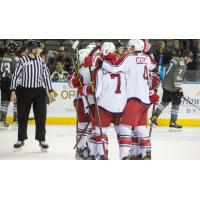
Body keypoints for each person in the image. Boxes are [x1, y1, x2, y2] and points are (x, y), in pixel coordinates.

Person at [100, 39, 156, 160]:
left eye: (130, 47)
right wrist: (148, 51)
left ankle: (125, 157)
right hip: (145, 101)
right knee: (141, 129)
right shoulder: (146, 58)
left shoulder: (129, 57)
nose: (128, 49)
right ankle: (147, 154)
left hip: (134, 99)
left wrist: (101, 62)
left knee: (124, 127)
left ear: (132, 47)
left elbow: (114, 68)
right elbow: (154, 65)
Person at [10, 40, 56, 151]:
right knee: (22, 116)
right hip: (24, 91)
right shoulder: (22, 60)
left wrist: (50, 91)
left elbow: (46, 76)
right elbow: (15, 76)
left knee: (41, 116)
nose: (41, 50)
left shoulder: (41, 61)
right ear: (33, 49)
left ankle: (42, 140)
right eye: (39, 48)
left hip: (39, 92)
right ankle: (21, 140)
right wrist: (13, 90)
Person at [150, 50, 193, 129]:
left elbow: (169, 72)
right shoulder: (181, 64)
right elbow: (176, 77)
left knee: (164, 102)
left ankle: (154, 117)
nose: (189, 61)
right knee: (176, 104)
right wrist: (178, 89)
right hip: (172, 87)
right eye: (189, 58)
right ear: (185, 57)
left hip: (166, 85)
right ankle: (173, 122)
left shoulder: (174, 60)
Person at [0, 40, 19, 129]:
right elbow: (17, 73)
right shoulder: (16, 59)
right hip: (12, 83)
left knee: (4, 103)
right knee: (16, 102)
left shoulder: (2, 58)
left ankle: (2, 121)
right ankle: (16, 121)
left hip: (3, 82)